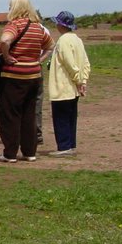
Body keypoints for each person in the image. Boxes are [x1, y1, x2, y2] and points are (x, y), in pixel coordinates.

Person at [0, 0, 54, 163]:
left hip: (14, 76)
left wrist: (6, 56)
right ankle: (29, 152)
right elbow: (50, 46)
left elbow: (5, 40)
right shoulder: (37, 27)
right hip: (34, 75)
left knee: (9, 114)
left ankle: (10, 153)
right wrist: (38, 60)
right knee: (29, 115)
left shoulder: (14, 25)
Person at [47, 11, 91, 157]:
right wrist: (82, 81)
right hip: (73, 87)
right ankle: (70, 145)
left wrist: (79, 80)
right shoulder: (77, 40)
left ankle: (64, 146)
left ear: (61, 25)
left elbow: (69, 63)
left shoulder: (64, 40)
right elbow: (86, 63)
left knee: (61, 117)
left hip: (63, 85)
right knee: (71, 117)